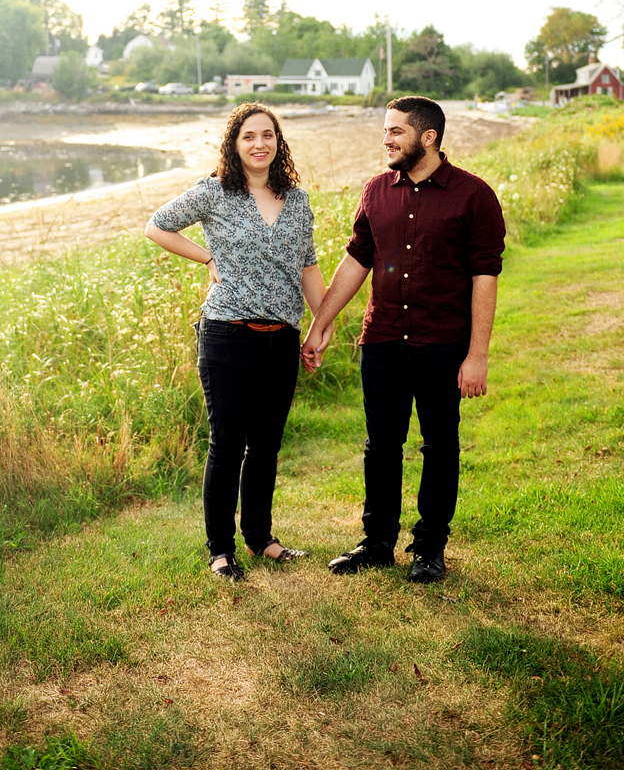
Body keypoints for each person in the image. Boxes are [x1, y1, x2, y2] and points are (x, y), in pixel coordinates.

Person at [301, 96, 505, 583]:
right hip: (384, 341)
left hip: (442, 344)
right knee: (381, 446)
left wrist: (477, 356)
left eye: (395, 132)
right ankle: (376, 543)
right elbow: (356, 261)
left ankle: (430, 548)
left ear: (428, 138)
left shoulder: (473, 196)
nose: (386, 140)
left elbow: (485, 276)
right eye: (385, 131)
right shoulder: (376, 191)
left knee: (440, 446)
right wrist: (320, 323)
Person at [145, 102, 325, 581]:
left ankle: (261, 538)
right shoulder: (215, 192)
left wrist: (320, 325)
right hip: (227, 334)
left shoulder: (298, 200)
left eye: (268, 135)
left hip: (281, 337)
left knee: (265, 446)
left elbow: (307, 264)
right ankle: (220, 549)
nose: (259, 144)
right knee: (226, 445)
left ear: (278, 142)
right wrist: (206, 258)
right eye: (249, 136)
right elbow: (157, 225)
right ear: (235, 143)